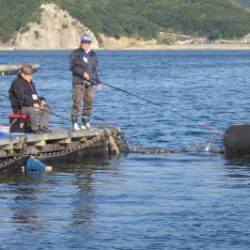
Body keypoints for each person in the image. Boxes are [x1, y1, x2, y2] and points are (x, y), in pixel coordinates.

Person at [70, 33, 101, 130]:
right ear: (81, 42)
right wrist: (83, 73)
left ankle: (85, 123)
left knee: (89, 103)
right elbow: (73, 67)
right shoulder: (76, 53)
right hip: (78, 83)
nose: (85, 44)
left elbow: (94, 70)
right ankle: (75, 123)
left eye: (87, 42)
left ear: (90, 43)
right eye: (83, 42)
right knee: (77, 102)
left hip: (90, 83)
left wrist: (97, 81)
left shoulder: (93, 54)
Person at [9, 64, 52, 133]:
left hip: (31, 105)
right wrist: (33, 104)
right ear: (22, 74)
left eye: (31, 75)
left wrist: (41, 101)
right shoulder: (17, 83)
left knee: (48, 107)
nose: (30, 77)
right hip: (20, 108)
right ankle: (34, 129)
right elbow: (22, 99)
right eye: (28, 75)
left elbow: (35, 96)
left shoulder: (30, 83)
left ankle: (42, 126)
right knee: (32, 110)